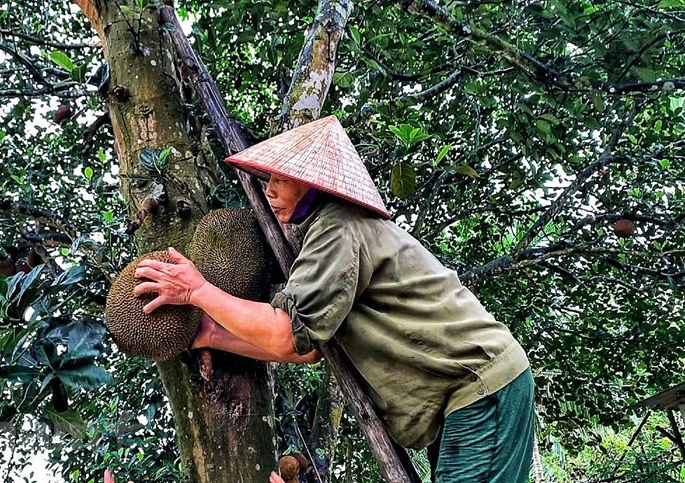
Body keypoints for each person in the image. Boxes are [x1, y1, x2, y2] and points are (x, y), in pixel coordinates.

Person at [133, 116, 535, 482]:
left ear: (312, 181)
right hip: (463, 400)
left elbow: (287, 335)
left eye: (279, 180)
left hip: (479, 388)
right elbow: (308, 350)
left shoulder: (338, 229)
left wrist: (198, 292)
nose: (269, 191)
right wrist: (212, 335)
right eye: (266, 180)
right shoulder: (322, 239)